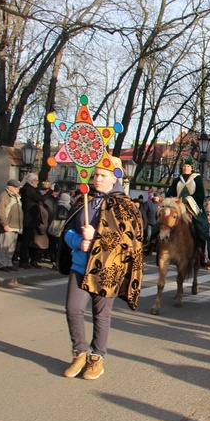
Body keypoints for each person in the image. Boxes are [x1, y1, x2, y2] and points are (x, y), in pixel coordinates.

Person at [62, 157, 143, 380]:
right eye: (95, 174)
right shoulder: (84, 200)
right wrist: (78, 242)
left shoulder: (124, 205)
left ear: (114, 177)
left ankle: (97, 357)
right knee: (73, 309)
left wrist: (96, 236)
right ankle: (79, 352)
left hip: (107, 269)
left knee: (101, 314)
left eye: (103, 175)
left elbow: (128, 241)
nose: (97, 179)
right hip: (80, 265)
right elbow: (66, 231)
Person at [163, 157, 210, 266]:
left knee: (202, 226)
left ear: (192, 168)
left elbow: (200, 194)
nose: (185, 168)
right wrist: (169, 199)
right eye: (184, 166)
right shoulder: (177, 180)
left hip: (192, 207)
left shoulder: (197, 179)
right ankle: (152, 243)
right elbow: (170, 192)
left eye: (188, 166)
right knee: (163, 220)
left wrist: (186, 200)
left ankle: (202, 252)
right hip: (177, 207)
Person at [20, 173, 49, 268]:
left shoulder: (31, 189)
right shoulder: (28, 190)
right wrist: (50, 191)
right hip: (28, 219)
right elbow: (40, 198)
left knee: (31, 241)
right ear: (32, 182)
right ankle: (23, 261)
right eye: (36, 181)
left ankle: (30, 260)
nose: (37, 183)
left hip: (32, 220)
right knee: (26, 241)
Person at [0, 179, 23, 271]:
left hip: (16, 225)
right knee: (4, 246)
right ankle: (2, 264)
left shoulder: (16, 196)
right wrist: (4, 224)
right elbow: (1, 212)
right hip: (8, 225)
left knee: (11, 247)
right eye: (15, 188)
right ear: (9, 187)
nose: (17, 189)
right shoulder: (4, 196)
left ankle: (8, 262)